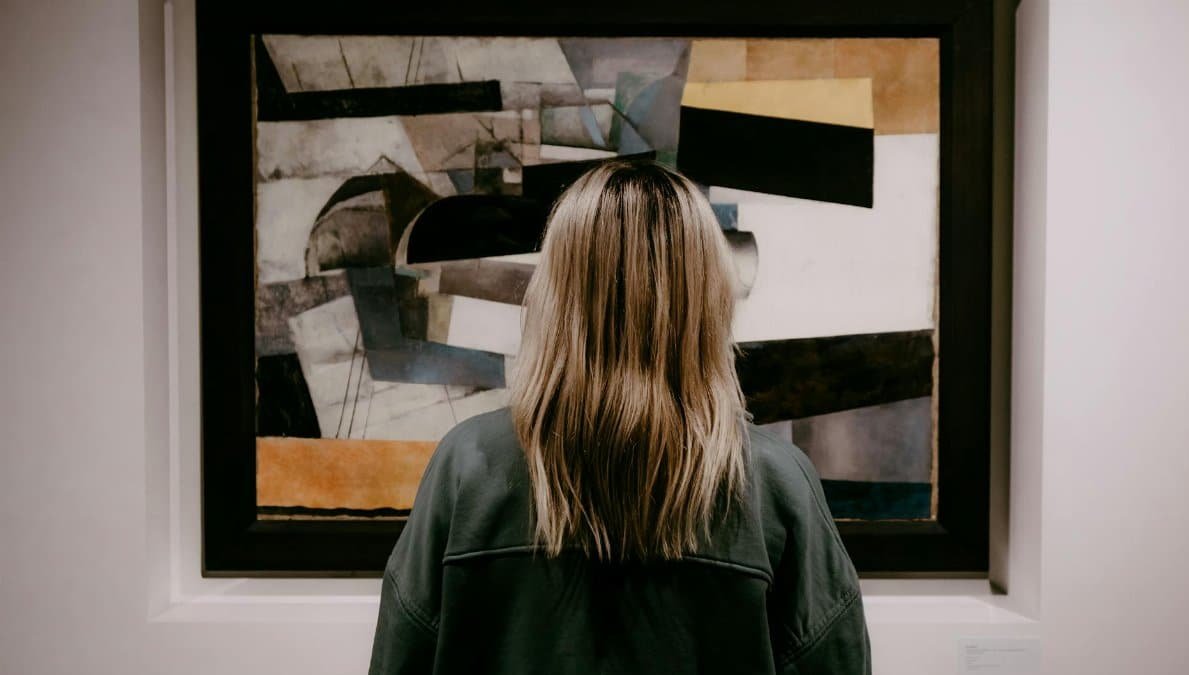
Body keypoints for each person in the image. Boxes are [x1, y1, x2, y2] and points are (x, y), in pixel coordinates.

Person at [368, 160, 871, 674]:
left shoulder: (466, 467)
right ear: (707, 297)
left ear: (555, 292)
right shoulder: (775, 483)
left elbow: (400, 660)